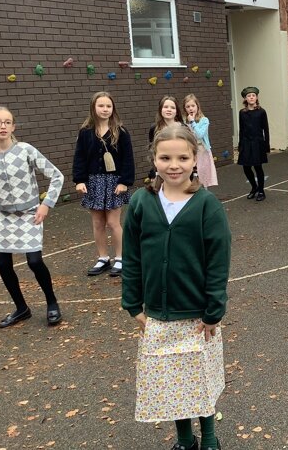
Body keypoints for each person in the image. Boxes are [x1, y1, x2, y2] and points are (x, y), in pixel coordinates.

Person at [122, 124, 231, 450]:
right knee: (170, 379)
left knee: (199, 377)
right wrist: (132, 303)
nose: (174, 165)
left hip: (198, 315)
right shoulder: (141, 202)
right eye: (165, 158)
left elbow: (218, 262)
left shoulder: (206, 204)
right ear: (154, 159)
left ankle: (209, 438)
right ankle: (185, 439)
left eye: (182, 158)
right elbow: (131, 256)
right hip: (158, 314)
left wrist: (214, 310)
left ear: (194, 159)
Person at [0, 107, 64, 328]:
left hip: (30, 215)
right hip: (3, 218)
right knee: (3, 264)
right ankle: (21, 308)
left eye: (7, 122)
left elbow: (57, 176)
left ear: (13, 126)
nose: (2, 126)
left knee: (34, 261)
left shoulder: (25, 150)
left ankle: (52, 302)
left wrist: (46, 204)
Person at [73, 91, 134, 278]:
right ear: (93, 107)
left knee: (113, 222)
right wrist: (79, 180)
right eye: (101, 105)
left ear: (113, 108)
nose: (105, 109)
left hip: (114, 182)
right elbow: (79, 157)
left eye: (108, 106)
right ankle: (103, 258)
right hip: (94, 182)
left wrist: (124, 181)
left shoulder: (121, 132)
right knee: (98, 223)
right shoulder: (85, 132)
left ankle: (120, 258)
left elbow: (128, 159)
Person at [237, 86, 270, 202]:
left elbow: (266, 129)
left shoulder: (261, 112)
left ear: (256, 98)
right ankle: (254, 187)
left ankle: (261, 190)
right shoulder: (242, 113)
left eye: (253, 95)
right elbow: (241, 129)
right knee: (246, 167)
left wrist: (266, 145)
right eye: (249, 96)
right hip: (246, 142)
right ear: (245, 99)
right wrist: (240, 144)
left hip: (257, 142)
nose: (251, 97)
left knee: (258, 167)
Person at [184, 93, 218, 188]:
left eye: (193, 106)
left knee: (203, 176)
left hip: (202, 150)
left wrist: (192, 122)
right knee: (192, 176)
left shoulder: (204, 120)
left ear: (197, 106)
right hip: (190, 151)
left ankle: (204, 194)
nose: (190, 108)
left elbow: (199, 134)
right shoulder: (184, 122)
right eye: (188, 107)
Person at [148, 95, 184, 180]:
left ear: (177, 111)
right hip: (162, 168)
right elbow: (153, 152)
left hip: (179, 166)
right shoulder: (154, 128)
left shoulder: (183, 128)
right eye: (166, 107)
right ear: (160, 109)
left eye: (172, 107)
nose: (169, 109)